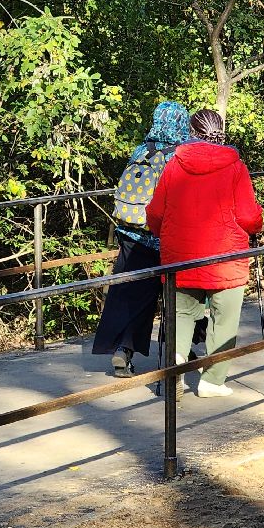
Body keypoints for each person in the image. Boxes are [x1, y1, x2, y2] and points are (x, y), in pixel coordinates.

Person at [145, 109, 264, 398]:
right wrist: (257, 226)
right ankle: (212, 381)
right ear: (221, 130)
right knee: (224, 318)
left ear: (191, 131)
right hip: (226, 256)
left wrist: (163, 233)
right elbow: (249, 216)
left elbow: (156, 212)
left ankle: (174, 376)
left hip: (181, 254)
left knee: (181, 316)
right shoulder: (235, 167)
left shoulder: (174, 165)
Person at [92, 101, 191, 377]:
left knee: (130, 294)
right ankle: (180, 348)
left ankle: (123, 350)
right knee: (178, 294)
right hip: (162, 237)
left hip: (129, 233)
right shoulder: (179, 156)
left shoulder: (141, 149)